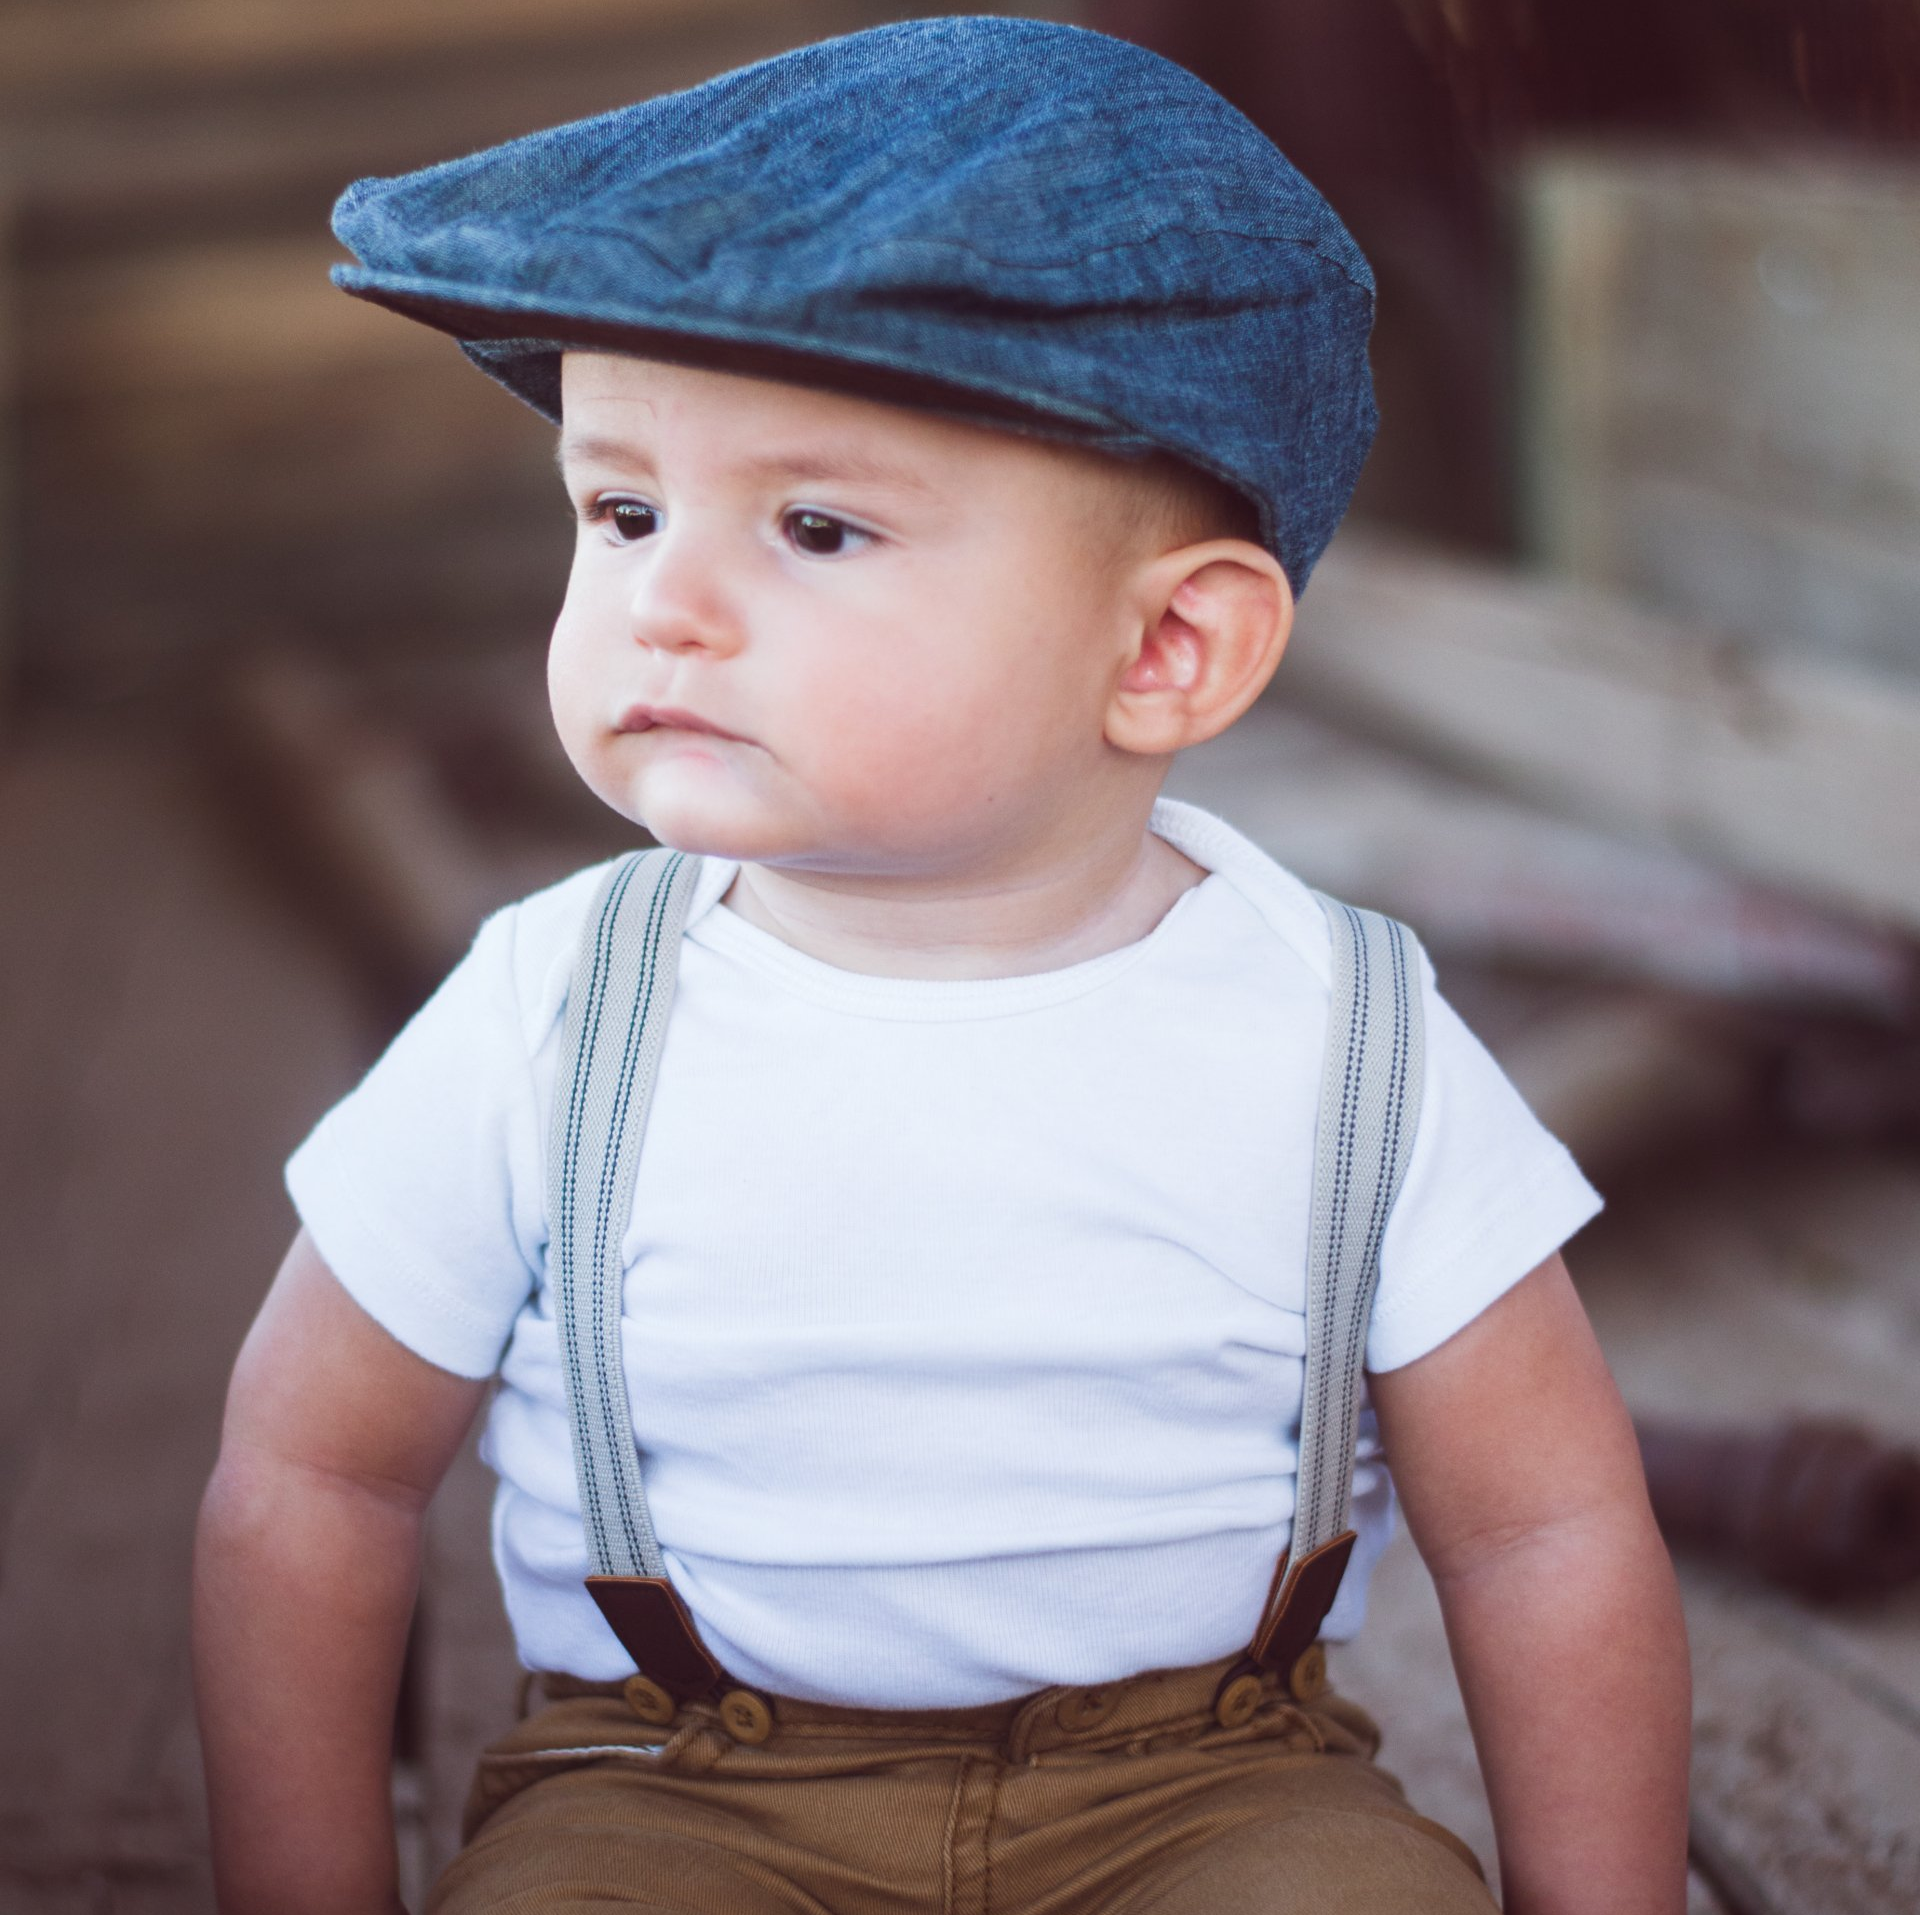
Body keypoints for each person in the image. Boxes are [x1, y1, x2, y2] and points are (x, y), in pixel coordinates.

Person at [192, 17, 1689, 1914]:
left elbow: (1548, 1526)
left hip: (1211, 1785)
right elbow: (313, 1475)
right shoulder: (554, 1011)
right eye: (622, 505)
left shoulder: (1347, 1035)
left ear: (1165, 654)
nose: (665, 598)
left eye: (815, 525)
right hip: (674, 1785)